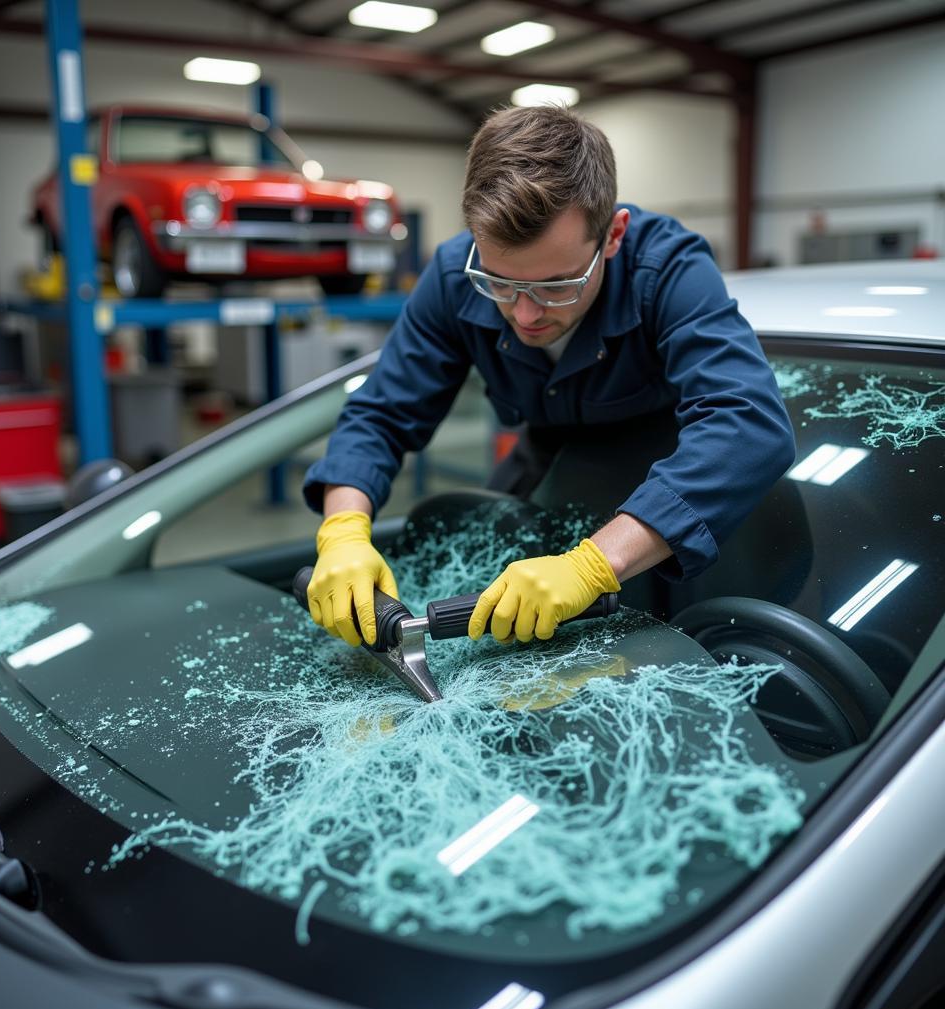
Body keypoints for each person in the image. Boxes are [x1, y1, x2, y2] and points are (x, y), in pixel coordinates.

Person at [302, 104, 795, 649]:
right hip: (549, 463)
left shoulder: (669, 269)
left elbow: (747, 425)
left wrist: (591, 566)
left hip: (677, 489)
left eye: (558, 286)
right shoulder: (452, 275)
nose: (525, 313)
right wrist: (343, 532)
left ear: (612, 235)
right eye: (500, 283)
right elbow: (381, 413)